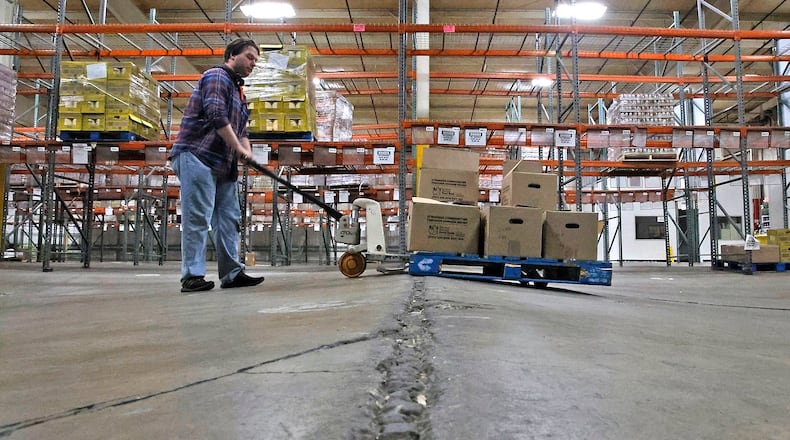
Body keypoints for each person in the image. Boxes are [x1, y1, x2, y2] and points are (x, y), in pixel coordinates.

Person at [169, 38, 264, 293]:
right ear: (232, 55)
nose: (253, 63)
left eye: (256, 59)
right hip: (197, 155)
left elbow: (243, 131)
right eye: (249, 57)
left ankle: (232, 273)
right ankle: (192, 276)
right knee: (198, 217)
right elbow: (215, 114)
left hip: (223, 163)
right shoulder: (216, 76)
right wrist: (238, 148)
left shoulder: (239, 92)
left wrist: (247, 152)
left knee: (229, 219)